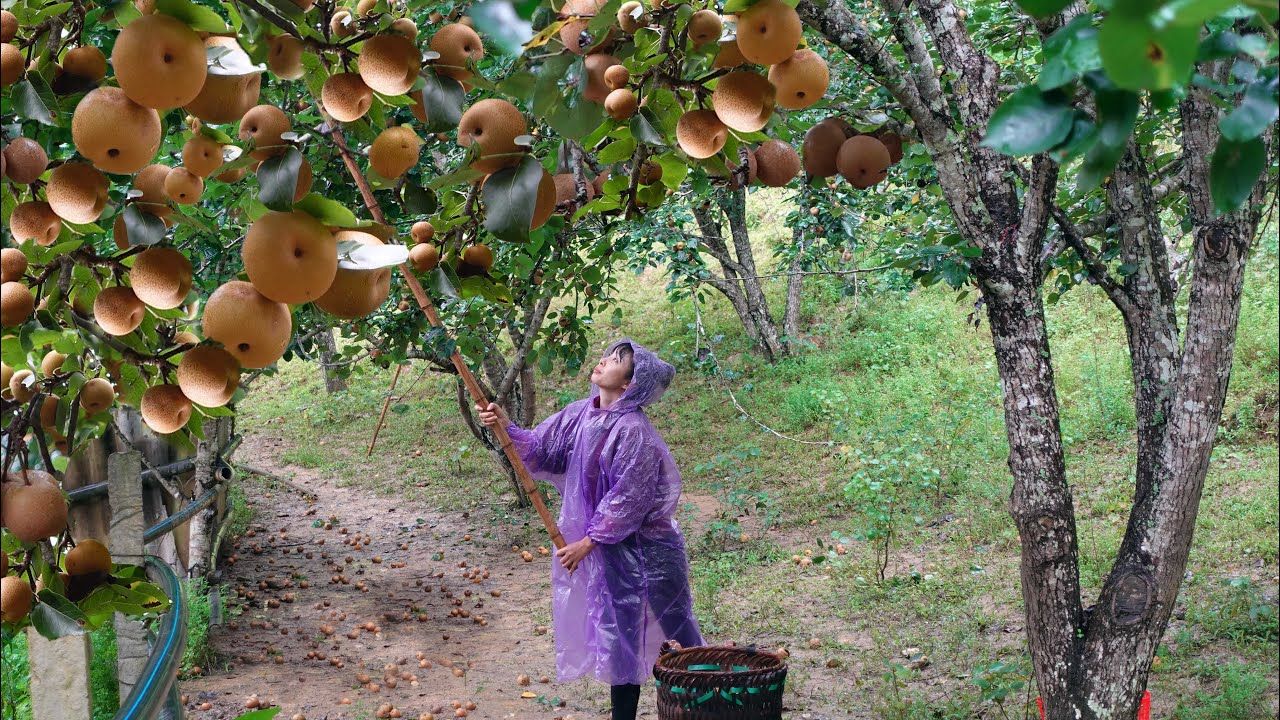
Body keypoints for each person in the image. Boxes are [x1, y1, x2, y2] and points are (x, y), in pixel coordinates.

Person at [477, 339, 704, 720]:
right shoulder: (582, 414)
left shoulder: (633, 430)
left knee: (678, 632)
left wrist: (588, 541)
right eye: (608, 355)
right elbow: (541, 448)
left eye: (615, 361)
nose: (602, 361)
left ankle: (709, 702)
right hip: (613, 553)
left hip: (651, 553)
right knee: (621, 635)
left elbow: (629, 498)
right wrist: (506, 426)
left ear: (629, 385)